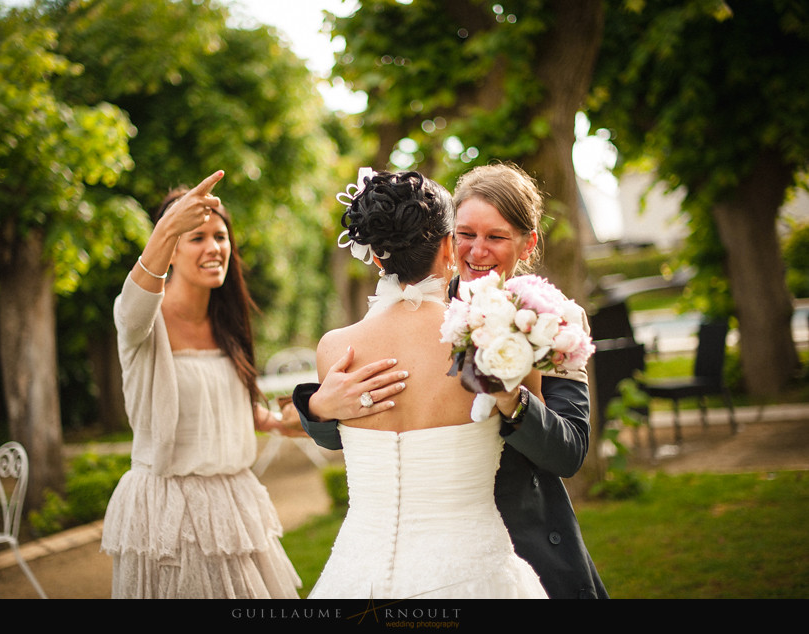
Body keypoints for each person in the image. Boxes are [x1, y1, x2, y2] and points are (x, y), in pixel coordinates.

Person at [295, 162, 608, 599]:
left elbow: (568, 452)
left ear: (527, 242)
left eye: (495, 237)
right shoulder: (400, 314)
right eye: (466, 235)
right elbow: (362, 433)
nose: (477, 251)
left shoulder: (550, 320)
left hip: (521, 538)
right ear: (446, 239)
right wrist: (317, 408)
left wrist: (512, 401)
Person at [100, 171, 302, 599]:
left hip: (233, 503)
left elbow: (232, 406)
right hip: (168, 512)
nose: (214, 248)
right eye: (197, 237)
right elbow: (136, 297)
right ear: (169, 249)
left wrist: (283, 421)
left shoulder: (227, 322)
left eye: (221, 236)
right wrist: (170, 223)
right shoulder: (140, 323)